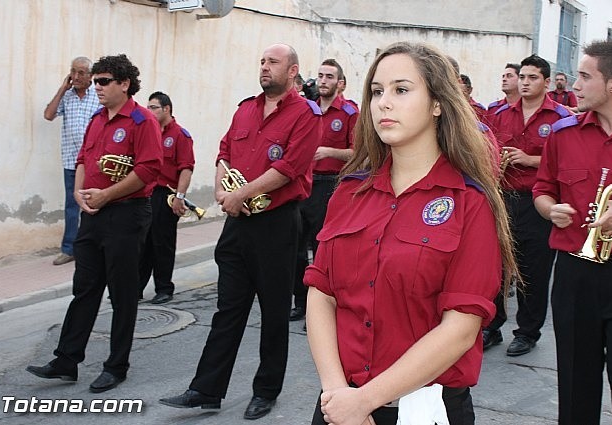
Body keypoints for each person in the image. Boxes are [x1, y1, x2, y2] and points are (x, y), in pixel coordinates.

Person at [305, 41, 518, 425]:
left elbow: (460, 327)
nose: (383, 102)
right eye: (376, 91)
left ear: (437, 104)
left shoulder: (470, 203)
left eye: (401, 90)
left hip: (424, 410)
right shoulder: (350, 193)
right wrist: (337, 393)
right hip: (341, 404)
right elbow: (321, 293)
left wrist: (366, 399)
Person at [159, 43, 322, 420]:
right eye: (262, 62)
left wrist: (239, 195)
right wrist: (220, 191)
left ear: (293, 71)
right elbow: (224, 153)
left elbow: (290, 169)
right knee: (228, 309)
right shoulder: (245, 108)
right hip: (238, 224)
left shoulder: (305, 114)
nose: (264, 68)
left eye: (273, 63)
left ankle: (266, 391)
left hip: (277, 225)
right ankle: (206, 390)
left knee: (275, 312)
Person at [26, 54, 162, 393]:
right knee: (84, 289)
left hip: (127, 214)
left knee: (122, 294)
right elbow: (84, 157)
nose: (96, 86)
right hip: (94, 214)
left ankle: (116, 366)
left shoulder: (142, 120)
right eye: (96, 80)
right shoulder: (97, 119)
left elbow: (148, 170)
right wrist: (78, 192)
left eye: (103, 81)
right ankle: (66, 360)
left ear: (124, 84)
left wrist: (106, 195)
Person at [533, 39, 612, 425]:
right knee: (575, 380)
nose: (574, 85)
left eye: (584, 76)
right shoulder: (562, 133)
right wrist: (549, 209)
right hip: (575, 272)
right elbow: (543, 189)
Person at [483, 54, 571, 355]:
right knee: (495, 265)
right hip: (503, 197)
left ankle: (527, 332)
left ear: (546, 82)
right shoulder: (500, 113)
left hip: (537, 201)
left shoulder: (559, 118)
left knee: (532, 268)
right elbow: (488, 148)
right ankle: (491, 326)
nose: (524, 83)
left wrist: (530, 159)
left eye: (532, 78)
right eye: (522, 77)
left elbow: (567, 162)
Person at [290, 59, 359, 324]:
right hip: (304, 181)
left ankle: (321, 311)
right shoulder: (307, 110)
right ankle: (300, 302)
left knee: (322, 250)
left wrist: (329, 152)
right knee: (296, 247)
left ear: (340, 83)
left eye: (329, 77)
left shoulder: (350, 114)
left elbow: (359, 153)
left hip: (330, 185)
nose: (323, 81)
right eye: (320, 76)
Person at [138, 91, 195, 304]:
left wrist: (180, 197)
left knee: (162, 244)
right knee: (142, 243)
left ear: (166, 109)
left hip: (166, 194)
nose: (149, 111)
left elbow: (186, 169)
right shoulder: (147, 132)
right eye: (149, 107)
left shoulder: (180, 135)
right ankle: (136, 287)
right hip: (146, 193)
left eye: (153, 107)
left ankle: (164, 288)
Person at [44, 56, 100, 266]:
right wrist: (62, 88)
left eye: (81, 73)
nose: (76, 77)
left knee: (95, 203)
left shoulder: (98, 96)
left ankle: (93, 247)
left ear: (90, 76)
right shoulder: (67, 96)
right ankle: (69, 249)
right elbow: (49, 115)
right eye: (73, 72)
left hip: (95, 162)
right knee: (71, 206)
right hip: (71, 161)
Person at [486, 63, 521, 130]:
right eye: (503, 76)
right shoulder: (493, 109)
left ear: (520, 80)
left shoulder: (526, 109)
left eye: (509, 76)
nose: (504, 79)